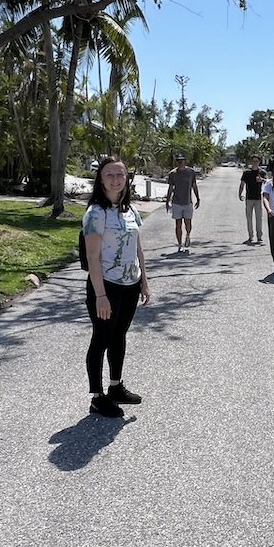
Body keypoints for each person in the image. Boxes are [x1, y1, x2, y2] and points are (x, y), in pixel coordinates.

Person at [82, 156, 151, 418]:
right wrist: (100, 295)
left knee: (119, 335)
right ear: (100, 180)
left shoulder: (130, 210)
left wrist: (144, 280)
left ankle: (115, 387)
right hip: (106, 286)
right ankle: (97, 397)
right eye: (109, 175)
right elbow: (92, 257)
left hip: (130, 284)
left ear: (126, 179)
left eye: (120, 175)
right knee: (101, 338)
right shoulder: (95, 213)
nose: (115, 179)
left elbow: (138, 248)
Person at [165, 154, 200, 252]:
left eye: (182, 160)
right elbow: (170, 188)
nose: (180, 162)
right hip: (176, 202)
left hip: (188, 201)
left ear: (185, 161)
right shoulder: (173, 174)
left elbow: (194, 185)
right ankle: (179, 243)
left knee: (188, 223)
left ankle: (188, 236)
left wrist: (198, 198)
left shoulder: (191, 172)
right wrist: (167, 202)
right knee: (178, 224)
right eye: (178, 161)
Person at [239, 155, 267, 243]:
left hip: (258, 198)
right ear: (251, 162)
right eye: (253, 161)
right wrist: (240, 194)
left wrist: (261, 180)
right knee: (249, 218)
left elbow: (268, 182)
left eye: (256, 161)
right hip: (249, 198)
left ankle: (259, 236)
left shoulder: (262, 172)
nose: (255, 162)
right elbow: (242, 184)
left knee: (259, 218)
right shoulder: (247, 173)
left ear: (259, 162)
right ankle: (250, 236)